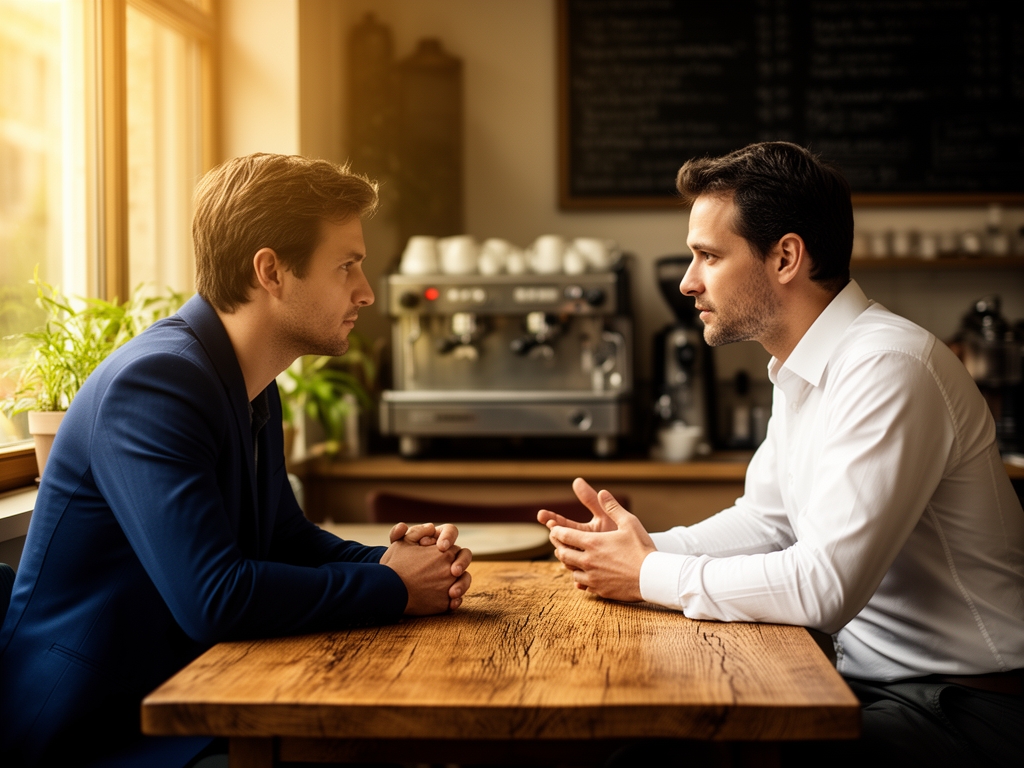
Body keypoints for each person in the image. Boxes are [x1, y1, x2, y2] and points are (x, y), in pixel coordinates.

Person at [539, 142, 1024, 765]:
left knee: (649, 757)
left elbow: (826, 586)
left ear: (786, 257)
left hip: (969, 707)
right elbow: (767, 523)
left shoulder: (887, 365)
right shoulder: (806, 364)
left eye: (708, 256)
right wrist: (644, 547)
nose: (688, 282)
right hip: (878, 686)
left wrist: (646, 575)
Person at [0, 154, 472, 768]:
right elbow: (213, 598)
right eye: (347, 266)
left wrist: (401, 562)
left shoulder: (249, 380)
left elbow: (282, 536)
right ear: (271, 271)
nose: (366, 291)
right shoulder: (157, 383)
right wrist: (391, 587)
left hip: (190, 695)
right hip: (92, 732)